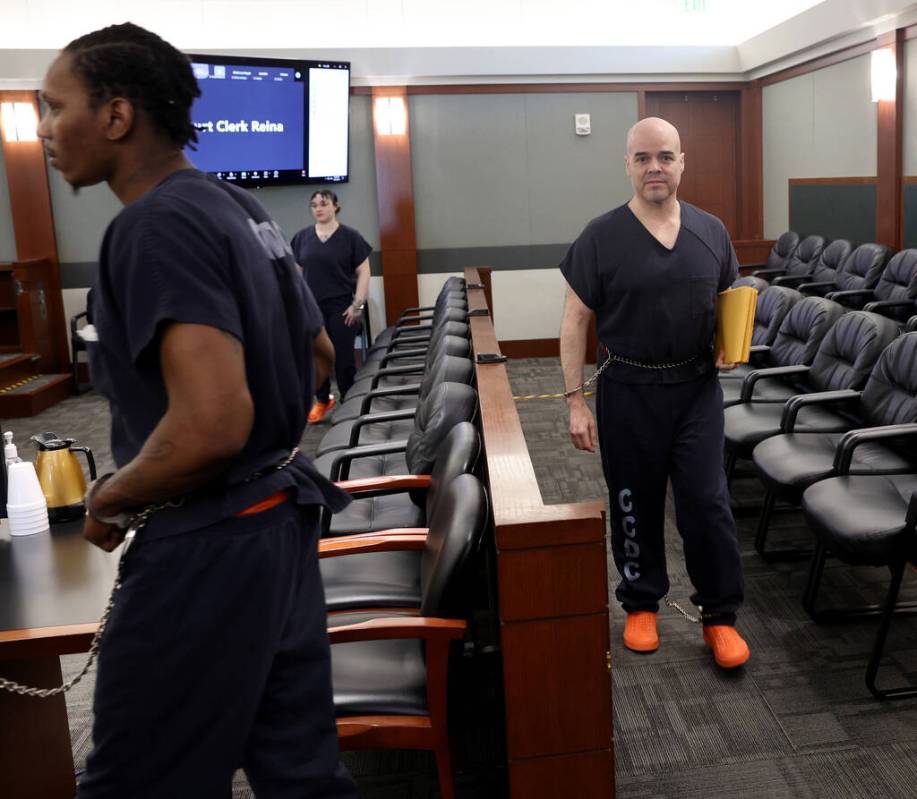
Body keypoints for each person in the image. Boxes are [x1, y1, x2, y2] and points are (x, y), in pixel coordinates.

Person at [37, 23, 360, 797]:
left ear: (116, 117)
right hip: (277, 520)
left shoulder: (151, 226)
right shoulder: (235, 204)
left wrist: (113, 492)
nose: (43, 128)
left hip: (208, 544)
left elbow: (212, 423)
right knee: (299, 773)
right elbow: (318, 354)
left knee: (138, 781)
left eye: (54, 107)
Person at [558, 116, 750, 670]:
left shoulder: (710, 230)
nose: (654, 168)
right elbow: (574, 321)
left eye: (665, 156)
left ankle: (719, 616)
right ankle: (641, 602)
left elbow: (730, 296)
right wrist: (574, 400)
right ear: (627, 165)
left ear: (682, 162)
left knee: (707, 504)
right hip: (627, 391)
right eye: (642, 158)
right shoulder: (601, 235)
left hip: (695, 391)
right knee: (633, 502)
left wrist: (728, 341)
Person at [291, 191, 372, 423]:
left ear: (335, 207)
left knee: (344, 358)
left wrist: (358, 303)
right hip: (312, 307)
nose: (318, 209)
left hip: (342, 306)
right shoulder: (302, 238)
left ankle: (349, 402)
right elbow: (296, 274)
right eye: (314, 205)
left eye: (324, 204)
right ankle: (322, 400)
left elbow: (363, 271)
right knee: (316, 356)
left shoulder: (350, 237)